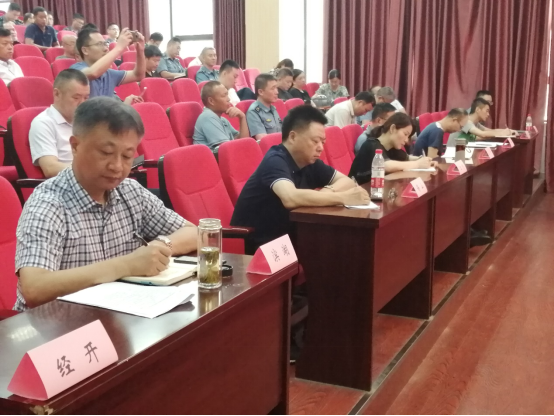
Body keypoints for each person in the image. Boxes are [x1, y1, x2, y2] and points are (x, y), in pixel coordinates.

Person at [14, 97, 197, 312]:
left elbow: (194, 233)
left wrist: (161, 246)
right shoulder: (48, 203)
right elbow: (34, 288)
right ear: (75, 146)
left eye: (127, 156)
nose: (117, 166)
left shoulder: (130, 191)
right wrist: (127, 264)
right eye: (106, 153)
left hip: (118, 314)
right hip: (60, 324)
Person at [231, 105, 369, 252]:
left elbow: (346, 181)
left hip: (290, 237)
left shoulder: (309, 162)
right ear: (292, 137)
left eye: (323, 142)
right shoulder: (275, 160)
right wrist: (344, 198)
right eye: (315, 141)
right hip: (261, 246)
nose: (320, 148)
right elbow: (290, 198)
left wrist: (328, 192)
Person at [30, 69, 90, 178]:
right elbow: (50, 168)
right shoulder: (43, 123)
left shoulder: (87, 122)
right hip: (67, 183)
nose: (82, 103)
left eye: (86, 98)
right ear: (57, 94)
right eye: (76, 97)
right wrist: (92, 170)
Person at [349, 113, 435, 185]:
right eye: (405, 134)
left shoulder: (392, 148)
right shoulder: (371, 144)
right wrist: (418, 164)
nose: (406, 140)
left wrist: (426, 161)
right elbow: (386, 165)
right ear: (393, 128)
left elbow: (408, 158)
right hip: (358, 192)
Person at [72, 28, 145, 103]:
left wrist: (140, 50)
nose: (106, 49)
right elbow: (92, 73)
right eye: (99, 44)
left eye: (105, 44)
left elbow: (138, 75)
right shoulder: (75, 70)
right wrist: (119, 47)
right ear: (85, 50)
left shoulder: (109, 73)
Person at [193, 81, 249, 149]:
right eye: (224, 95)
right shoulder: (207, 117)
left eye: (227, 94)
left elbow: (243, 142)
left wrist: (242, 117)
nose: (228, 99)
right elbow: (227, 148)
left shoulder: (223, 120)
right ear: (211, 101)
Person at [448, 98, 515, 147]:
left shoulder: (475, 123)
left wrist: (510, 131)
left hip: (464, 152)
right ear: (478, 110)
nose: (488, 114)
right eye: (487, 111)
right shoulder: (466, 121)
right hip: (454, 154)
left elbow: (490, 131)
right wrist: (502, 133)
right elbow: (482, 134)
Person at [246, 73, 282, 140]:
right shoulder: (254, 112)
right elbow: (263, 139)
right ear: (261, 92)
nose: (277, 92)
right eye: (273, 88)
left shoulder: (273, 108)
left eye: (276, 88)